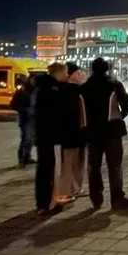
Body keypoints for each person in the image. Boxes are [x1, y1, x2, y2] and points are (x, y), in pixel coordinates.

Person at [81, 57, 128, 210]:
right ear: (107, 69)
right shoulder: (114, 85)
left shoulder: (84, 88)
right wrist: (120, 115)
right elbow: (126, 103)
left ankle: (96, 198)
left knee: (94, 166)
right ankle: (117, 198)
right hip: (112, 131)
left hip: (92, 132)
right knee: (115, 165)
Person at [32, 62, 69, 215]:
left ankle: (42, 203)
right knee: (52, 171)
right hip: (53, 137)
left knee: (43, 170)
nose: (67, 75)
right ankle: (51, 202)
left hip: (42, 136)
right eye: (65, 72)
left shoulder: (40, 88)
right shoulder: (53, 90)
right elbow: (59, 115)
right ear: (59, 73)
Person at [56, 62, 87, 203]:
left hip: (80, 133)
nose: (80, 75)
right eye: (77, 73)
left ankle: (77, 188)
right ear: (69, 75)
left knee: (79, 162)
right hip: (70, 134)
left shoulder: (78, 90)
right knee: (68, 164)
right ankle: (66, 191)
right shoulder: (66, 91)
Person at [10, 74, 36, 168]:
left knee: (31, 139)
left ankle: (27, 157)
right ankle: (21, 159)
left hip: (34, 118)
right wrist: (24, 111)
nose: (33, 81)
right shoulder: (21, 91)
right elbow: (13, 104)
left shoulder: (35, 90)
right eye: (32, 79)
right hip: (26, 119)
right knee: (26, 138)